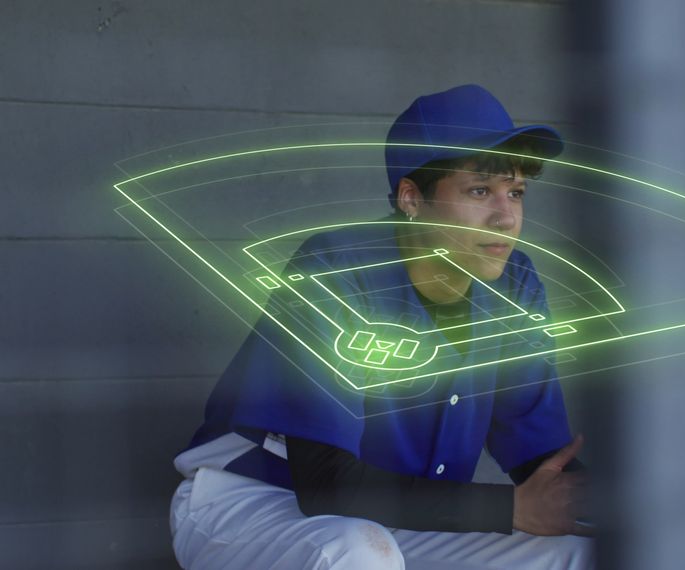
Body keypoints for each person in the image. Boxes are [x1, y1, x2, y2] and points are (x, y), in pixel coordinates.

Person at [170, 84, 594, 569]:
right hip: (252, 506)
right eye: (480, 191)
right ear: (412, 198)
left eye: (515, 192)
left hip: (402, 519)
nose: (506, 218)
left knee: (588, 554)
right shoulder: (336, 269)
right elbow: (325, 481)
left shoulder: (514, 281)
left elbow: (538, 458)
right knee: (356, 552)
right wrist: (512, 509)